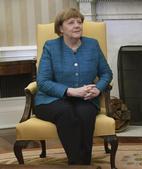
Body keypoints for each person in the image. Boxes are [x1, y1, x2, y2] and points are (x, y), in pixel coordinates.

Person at [34, 8, 112, 165]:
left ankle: (83, 163)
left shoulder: (92, 45)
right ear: (61, 28)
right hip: (51, 100)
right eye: (71, 22)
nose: (77, 25)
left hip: (86, 99)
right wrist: (70, 91)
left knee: (85, 114)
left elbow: (106, 74)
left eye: (79, 22)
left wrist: (98, 89)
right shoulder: (51, 47)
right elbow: (42, 82)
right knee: (66, 112)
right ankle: (78, 164)